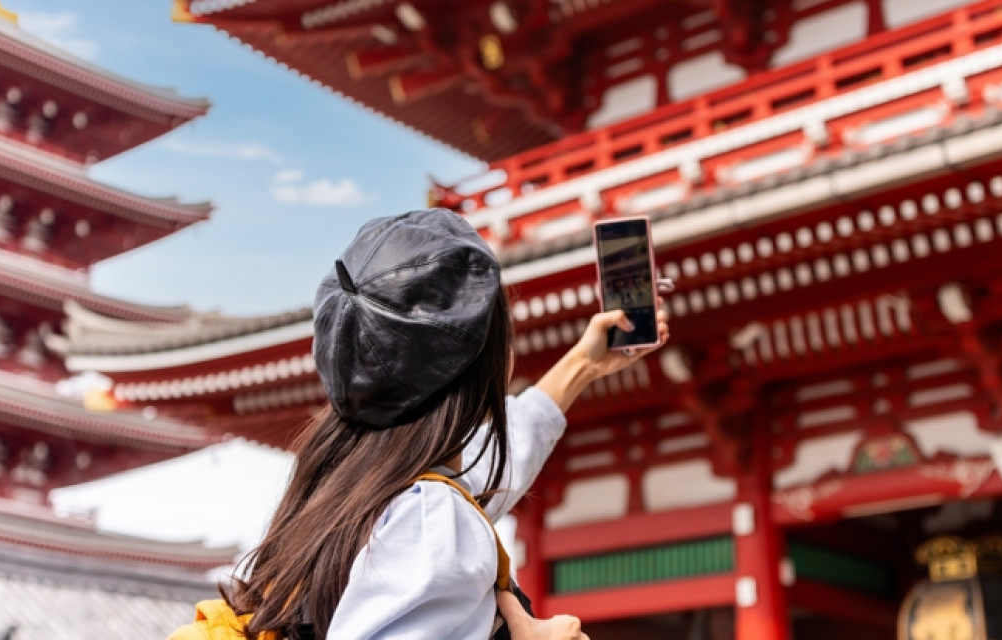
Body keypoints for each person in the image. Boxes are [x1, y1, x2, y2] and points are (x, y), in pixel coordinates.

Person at [172, 209, 669, 640]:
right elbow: (453, 507)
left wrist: (582, 366)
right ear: (483, 365)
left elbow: (483, 472)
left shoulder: (352, 489)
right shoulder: (431, 520)